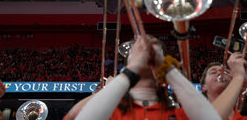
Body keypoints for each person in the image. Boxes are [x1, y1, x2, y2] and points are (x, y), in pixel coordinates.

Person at [75, 36, 221, 120]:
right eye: (137, 50)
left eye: (152, 51)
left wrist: (168, 70)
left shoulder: (177, 114)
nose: (146, 52)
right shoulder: (112, 112)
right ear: (128, 64)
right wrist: (132, 69)